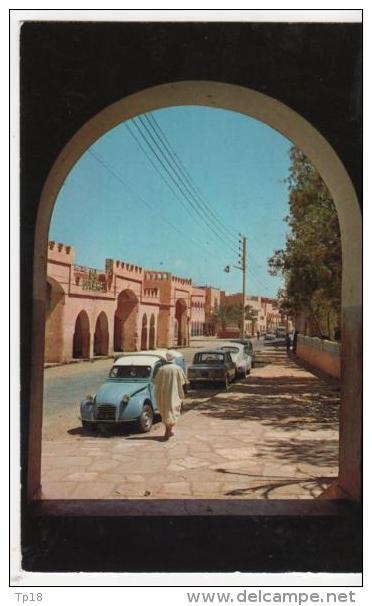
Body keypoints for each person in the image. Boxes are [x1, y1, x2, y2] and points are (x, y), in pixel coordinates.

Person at [154, 351, 187, 439]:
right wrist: (184, 394)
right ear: (174, 359)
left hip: (163, 394)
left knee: (165, 411)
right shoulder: (177, 369)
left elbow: (156, 382)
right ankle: (168, 431)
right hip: (174, 394)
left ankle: (168, 430)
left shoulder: (161, 369)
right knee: (172, 411)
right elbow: (183, 383)